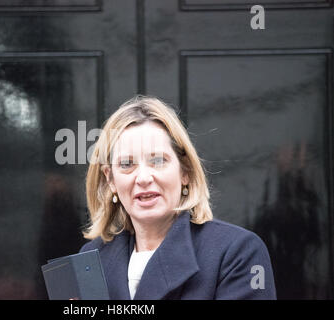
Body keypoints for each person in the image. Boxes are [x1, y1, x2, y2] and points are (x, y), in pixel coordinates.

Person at [80, 95, 276, 300]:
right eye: (127, 164)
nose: (144, 178)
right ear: (110, 179)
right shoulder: (91, 259)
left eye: (157, 160)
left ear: (185, 171)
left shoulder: (238, 252)